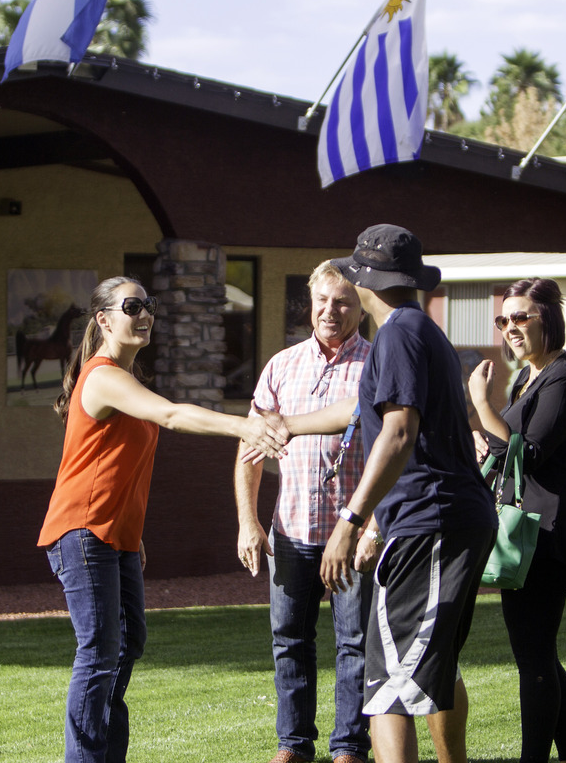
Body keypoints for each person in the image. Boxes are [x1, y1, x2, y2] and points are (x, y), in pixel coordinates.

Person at [253, 224, 498, 763]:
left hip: (428, 518)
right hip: (451, 518)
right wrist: (287, 424)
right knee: (435, 662)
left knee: (385, 678)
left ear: (368, 281)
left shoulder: (399, 333)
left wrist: (350, 520)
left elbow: (399, 429)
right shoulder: (416, 329)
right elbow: (360, 411)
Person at [38, 276, 288, 763]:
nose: (145, 313)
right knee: (99, 652)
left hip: (117, 535)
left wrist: (135, 529)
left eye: (149, 304)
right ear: (104, 320)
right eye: (133, 306)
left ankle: (107, 755)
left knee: (127, 645)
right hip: (83, 531)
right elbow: (172, 415)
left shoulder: (126, 380)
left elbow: (117, 466)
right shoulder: (103, 375)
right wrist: (245, 424)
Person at [234, 261, 378, 763]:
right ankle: (293, 744)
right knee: (289, 640)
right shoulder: (281, 365)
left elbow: (398, 451)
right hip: (291, 530)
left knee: (355, 644)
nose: (330, 311)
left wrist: (373, 525)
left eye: (342, 302)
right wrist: (248, 522)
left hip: (351, 533)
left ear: (360, 306)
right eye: (322, 300)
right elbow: (248, 449)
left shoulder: (377, 364)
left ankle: (349, 748)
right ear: (309, 303)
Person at [467, 277, 566, 763]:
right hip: (530, 528)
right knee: (539, 649)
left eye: (521, 317)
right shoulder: (528, 378)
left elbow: (533, 454)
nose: (510, 328)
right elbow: (509, 446)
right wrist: (487, 440)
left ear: (549, 319)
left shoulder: (563, 378)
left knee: (533, 655)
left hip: (551, 530)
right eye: (504, 319)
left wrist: (481, 405)